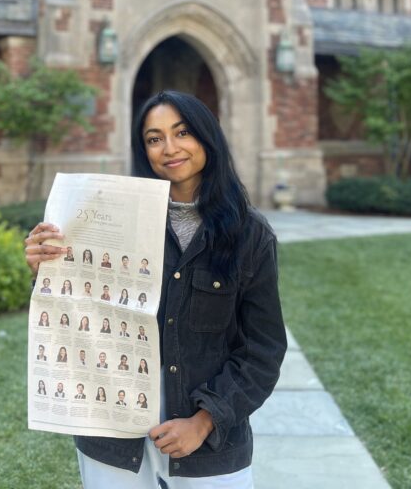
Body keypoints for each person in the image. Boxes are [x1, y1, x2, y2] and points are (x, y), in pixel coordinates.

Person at [24, 90, 287, 486]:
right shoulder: (108, 221)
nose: (169, 148)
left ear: (206, 138)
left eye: (182, 133)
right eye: (154, 138)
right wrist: (45, 268)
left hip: (210, 442)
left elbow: (262, 351)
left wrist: (204, 422)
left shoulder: (251, 236)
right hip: (111, 426)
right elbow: (76, 309)